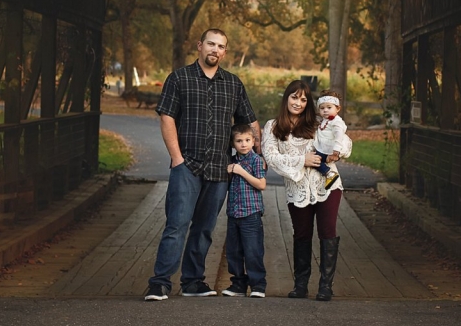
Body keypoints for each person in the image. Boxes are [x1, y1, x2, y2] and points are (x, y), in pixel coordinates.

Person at [144, 29, 260, 300]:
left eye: (221, 46)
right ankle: (160, 282)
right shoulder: (179, 78)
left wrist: (256, 157)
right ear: (199, 46)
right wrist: (176, 158)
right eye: (211, 44)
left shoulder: (233, 83)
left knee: (204, 228)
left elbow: (250, 122)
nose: (215, 50)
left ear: (224, 52)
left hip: (220, 169)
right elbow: (167, 117)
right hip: (188, 165)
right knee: (177, 224)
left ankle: (193, 282)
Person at [261, 80, 352, 302]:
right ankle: (300, 284)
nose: (298, 103)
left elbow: (346, 142)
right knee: (302, 234)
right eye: (294, 97)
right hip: (298, 188)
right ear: (286, 99)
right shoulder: (273, 127)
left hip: (327, 183)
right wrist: (303, 159)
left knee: (327, 231)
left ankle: (325, 286)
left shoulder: (318, 123)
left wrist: (338, 153)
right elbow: (271, 157)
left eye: (303, 99)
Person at [222, 123, 267, 298]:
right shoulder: (232, 161)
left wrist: (240, 172)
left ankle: (258, 285)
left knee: (253, 250)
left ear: (253, 141)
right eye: (239, 141)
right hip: (233, 213)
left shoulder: (255, 160)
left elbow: (261, 184)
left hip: (251, 213)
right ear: (233, 144)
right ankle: (238, 284)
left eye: (247, 140)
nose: (244, 144)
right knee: (234, 251)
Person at [313, 90, 348, 190]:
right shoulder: (326, 120)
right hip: (324, 148)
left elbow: (339, 137)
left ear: (338, 108)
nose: (325, 110)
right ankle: (327, 165)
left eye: (329, 107)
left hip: (330, 150)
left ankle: (329, 173)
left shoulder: (336, 122)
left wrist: (336, 152)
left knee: (314, 159)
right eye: (322, 108)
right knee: (315, 158)